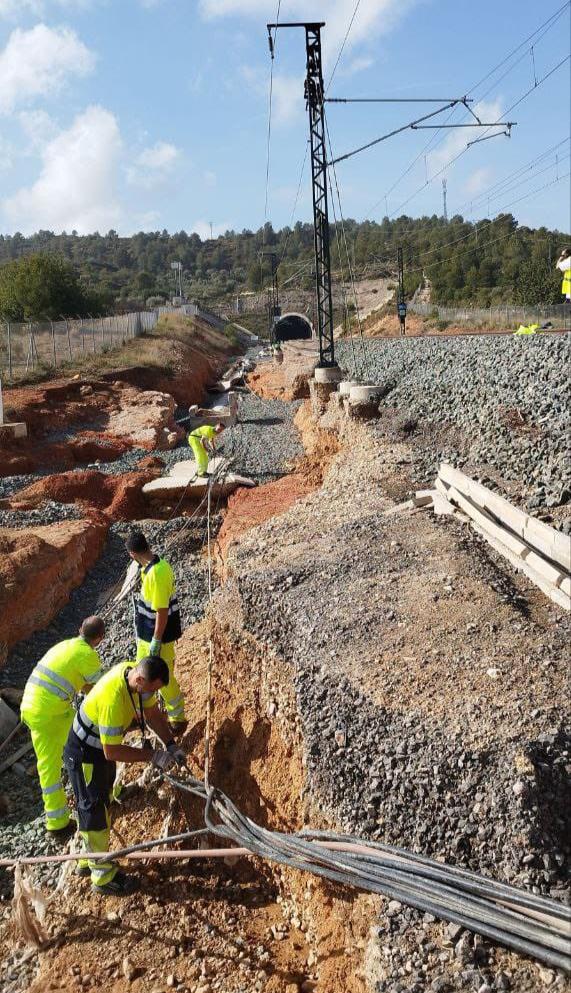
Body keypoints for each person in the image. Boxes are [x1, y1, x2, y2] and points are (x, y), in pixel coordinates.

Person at [64, 655, 185, 895]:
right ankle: (102, 876)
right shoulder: (114, 701)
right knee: (94, 809)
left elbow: (151, 714)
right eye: (151, 689)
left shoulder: (135, 678)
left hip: (98, 748)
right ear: (140, 680)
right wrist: (152, 756)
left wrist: (171, 745)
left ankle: (88, 859)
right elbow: (112, 751)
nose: (151, 694)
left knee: (100, 801)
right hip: (86, 753)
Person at [20, 617, 105, 841]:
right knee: (87, 744)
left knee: (47, 764)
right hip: (51, 711)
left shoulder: (65, 645)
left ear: (79, 630)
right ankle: (97, 795)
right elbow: (100, 692)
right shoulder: (88, 655)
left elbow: (82, 684)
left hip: (31, 706)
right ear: (100, 639)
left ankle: (57, 823)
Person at [125, 531, 186, 733]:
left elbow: (161, 611)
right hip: (146, 635)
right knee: (139, 675)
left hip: (158, 637)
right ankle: (143, 714)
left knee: (162, 677)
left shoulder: (158, 573)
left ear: (132, 553)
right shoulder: (148, 567)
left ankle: (177, 718)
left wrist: (156, 640)